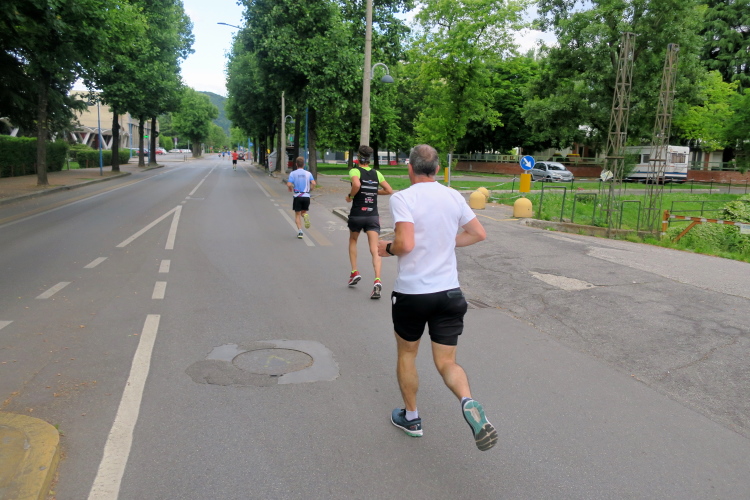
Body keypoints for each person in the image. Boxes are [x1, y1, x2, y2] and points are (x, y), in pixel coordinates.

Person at [377, 144, 497, 451]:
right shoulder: (453, 196)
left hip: (413, 294)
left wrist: (386, 248)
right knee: (446, 362)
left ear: (410, 168)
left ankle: (412, 418)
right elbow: (478, 233)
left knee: (407, 354)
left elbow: (405, 244)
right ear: (437, 169)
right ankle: (468, 401)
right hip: (449, 293)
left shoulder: (403, 198)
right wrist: (444, 242)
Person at [345, 145, 393, 299]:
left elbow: (356, 185)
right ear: (369, 159)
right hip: (372, 215)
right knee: (374, 248)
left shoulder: (355, 171)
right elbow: (389, 190)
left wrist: (350, 196)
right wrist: (374, 191)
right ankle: (377, 280)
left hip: (357, 214)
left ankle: (354, 272)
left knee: (353, 240)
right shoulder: (377, 173)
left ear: (358, 157)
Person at [286, 156, 316, 239]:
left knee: (297, 215)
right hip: (306, 196)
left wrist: (290, 187)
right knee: (303, 212)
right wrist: (311, 189)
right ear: (304, 164)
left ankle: (300, 232)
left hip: (298, 196)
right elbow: (313, 183)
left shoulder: (293, 173)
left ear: (296, 164)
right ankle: (305, 215)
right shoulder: (308, 173)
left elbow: (289, 184)